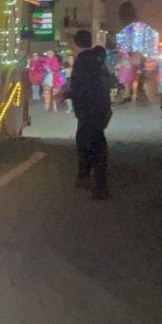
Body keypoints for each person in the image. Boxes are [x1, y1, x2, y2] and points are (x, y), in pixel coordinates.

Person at [58, 29, 112, 200]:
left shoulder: (83, 62)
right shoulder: (97, 59)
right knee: (89, 143)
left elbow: (81, 87)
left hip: (90, 110)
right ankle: (84, 177)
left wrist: (65, 94)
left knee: (92, 146)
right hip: (101, 108)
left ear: (76, 44)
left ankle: (99, 186)